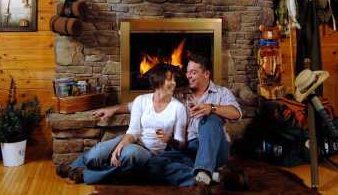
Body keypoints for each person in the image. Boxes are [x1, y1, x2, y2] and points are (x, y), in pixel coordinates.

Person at [95, 54, 243, 187]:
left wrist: (212, 108)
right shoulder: (179, 95)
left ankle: (204, 170)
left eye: (194, 72)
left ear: (206, 74)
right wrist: (113, 109)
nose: (188, 76)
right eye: (187, 72)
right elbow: (138, 104)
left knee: (210, 119)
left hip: (214, 148)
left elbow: (236, 113)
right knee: (151, 164)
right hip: (186, 150)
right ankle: (208, 177)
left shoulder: (221, 93)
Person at [57, 64, 187, 184]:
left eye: (174, 79)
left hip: (150, 152)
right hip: (133, 139)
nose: (174, 83)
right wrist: (120, 146)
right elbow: (133, 132)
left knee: (130, 154)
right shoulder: (141, 101)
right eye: (170, 79)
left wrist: (170, 140)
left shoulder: (178, 108)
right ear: (159, 82)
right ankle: (73, 167)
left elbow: (181, 144)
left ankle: (86, 175)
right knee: (94, 156)